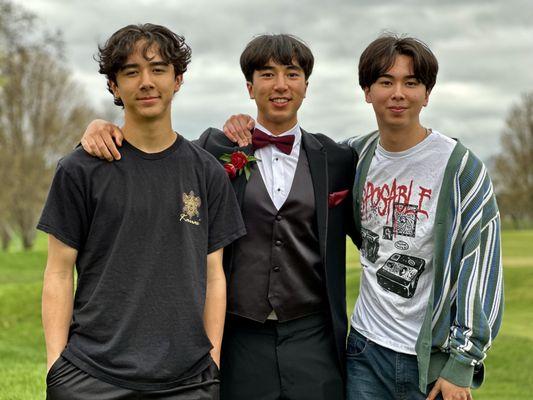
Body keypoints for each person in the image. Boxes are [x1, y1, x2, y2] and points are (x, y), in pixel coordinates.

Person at [219, 34, 504, 400]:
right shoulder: (355, 155)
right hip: (364, 352)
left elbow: (480, 265)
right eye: (386, 82)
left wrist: (463, 362)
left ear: (427, 93)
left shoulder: (460, 168)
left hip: (427, 360)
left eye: (411, 82)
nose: (398, 93)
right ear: (367, 91)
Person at [79, 33, 359, 400]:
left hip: (315, 338)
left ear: (306, 85)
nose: (280, 85)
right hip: (238, 338)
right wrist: (100, 130)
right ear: (249, 86)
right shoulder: (215, 149)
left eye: (291, 74)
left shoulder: (337, 160)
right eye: (266, 74)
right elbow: (153, 155)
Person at [39, 23, 245, 400]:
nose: (146, 82)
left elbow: (214, 276)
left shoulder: (207, 173)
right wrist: (57, 367)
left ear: (178, 79)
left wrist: (211, 361)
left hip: (188, 380)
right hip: (92, 376)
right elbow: (57, 271)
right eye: (131, 72)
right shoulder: (79, 169)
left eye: (158, 69)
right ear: (114, 86)